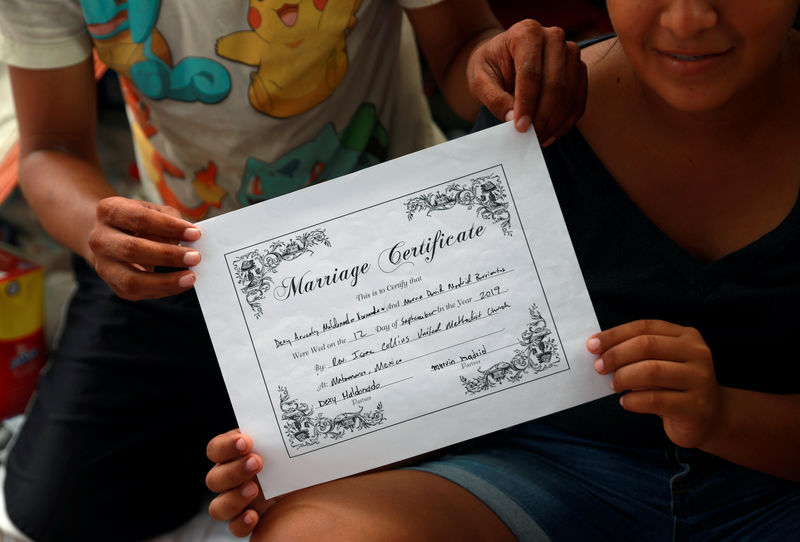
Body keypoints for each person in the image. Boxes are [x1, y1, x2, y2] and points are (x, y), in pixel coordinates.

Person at [205, 1, 800, 540]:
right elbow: (443, 365)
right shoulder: (536, 103)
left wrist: (725, 416)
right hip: (540, 475)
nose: (689, 18)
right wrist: (301, 460)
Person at [0, 1, 587, 541]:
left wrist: (503, 65)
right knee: (53, 506)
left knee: (410, 488)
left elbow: (464, 44)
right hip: (188, 266)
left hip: (394, 256)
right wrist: (98, 232)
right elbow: (51, 146)